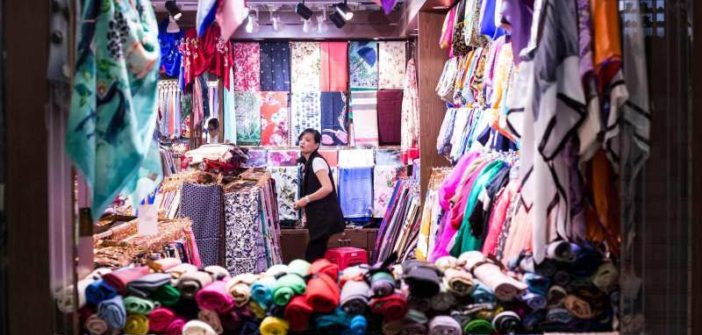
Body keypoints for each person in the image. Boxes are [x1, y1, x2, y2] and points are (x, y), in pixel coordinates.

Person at [293, 128, 345, 261]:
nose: (302, 142)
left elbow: (327, 188)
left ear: (316, 145)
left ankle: (313, 279)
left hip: (325, 217)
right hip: (320, 218)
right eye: (302, 139)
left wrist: (305, 200)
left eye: (308, 140)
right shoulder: (308, 162)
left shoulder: (316, 161)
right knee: (316, 255)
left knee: (312, 256)